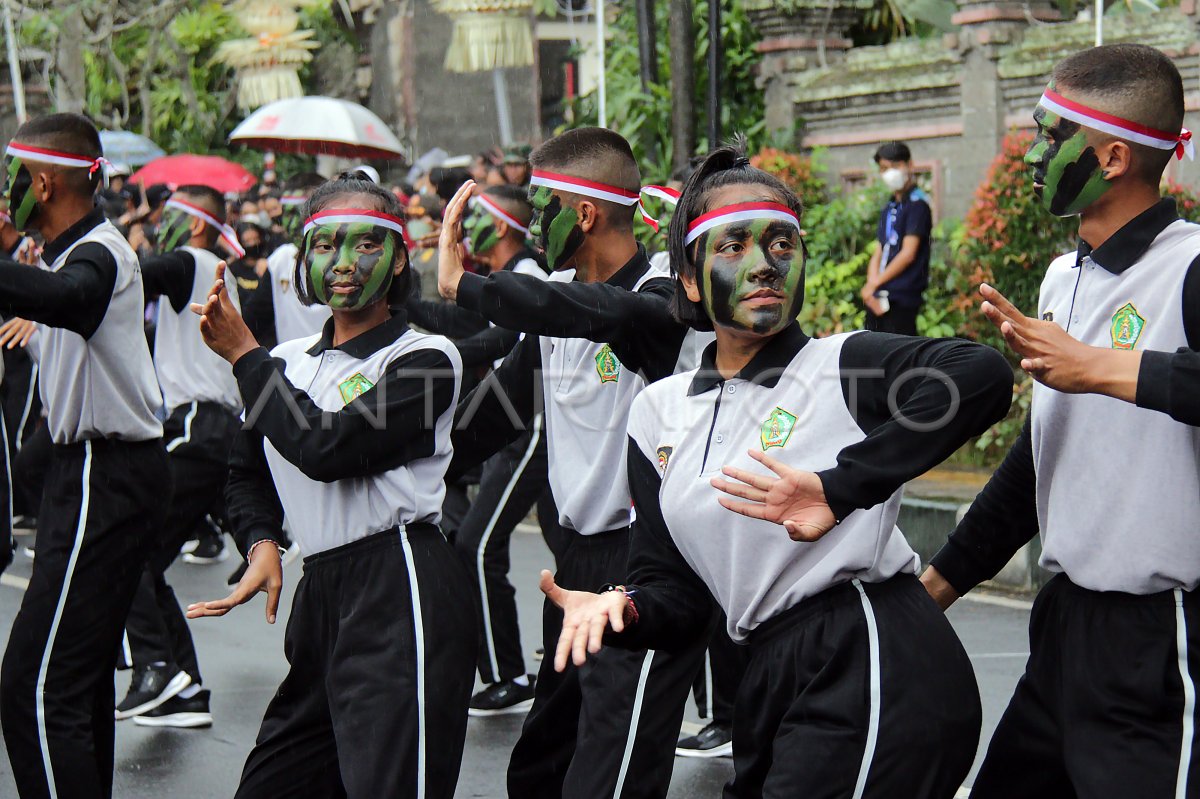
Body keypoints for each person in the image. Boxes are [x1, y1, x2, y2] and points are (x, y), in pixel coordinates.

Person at [541, 139, 1012, 798]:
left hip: (868, 654)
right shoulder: (657, 412)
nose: (764, 264)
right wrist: (624, 607)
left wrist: (840, 487)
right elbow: (674, 593)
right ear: (688, 276)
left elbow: (981, 374)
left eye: (782, 245)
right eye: (733, 246)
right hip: (765, 671)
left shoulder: (838, 363)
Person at [920, 43, 1200, 798]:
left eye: (1050, 135)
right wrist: (931, 593)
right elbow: (1044, 459)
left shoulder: (1191, 266)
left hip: (1158, 638)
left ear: (1111, 157)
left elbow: (1108, 379)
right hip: (1062, 624)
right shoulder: (1061, 277)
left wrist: (1101, 367)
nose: (1033, 157)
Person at [185, 171, 476, 799]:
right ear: (303, 259)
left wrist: (243, 356)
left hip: (401, 590)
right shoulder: (287, 362)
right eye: (325, 245)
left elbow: (327, 446)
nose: (343, 262)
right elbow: (246, 469)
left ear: (400, 257)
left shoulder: (426, 358)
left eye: (367, 244)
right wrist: (262, 542)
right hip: (322, 595)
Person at [438, 127, 709, 799]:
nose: (532, 221)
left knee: (610, 771)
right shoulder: (558, 297)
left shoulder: (660, 298)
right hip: (579, 558)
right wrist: (404, 464)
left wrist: (467, 286)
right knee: (541, 764)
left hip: (649, 564)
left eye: (542, 202)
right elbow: (495, 410)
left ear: (584, 213)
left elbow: (599, 311)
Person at [0, 112, 169, 799]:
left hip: (107, 470)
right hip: (92, 471)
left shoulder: (100, 252)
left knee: (33, 689)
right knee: (78, 680)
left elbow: (75, 297)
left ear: (40, 180)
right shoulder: (62, 254)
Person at [412, 184, 553, 715]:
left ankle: (509, 675)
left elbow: (501, 344)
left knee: (476, 545)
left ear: (497, 227)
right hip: (509, 425)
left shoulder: (529, 276)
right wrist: (406, 304)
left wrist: (428, 360)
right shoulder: (505, 277)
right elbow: (465, 322)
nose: (462, 231)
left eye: (471, 220)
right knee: (560, 544)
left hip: (531, 428)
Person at [114, 185, 246, 729]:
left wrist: (128, 240)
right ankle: (183, 687)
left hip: (195, 425)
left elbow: (123, 280)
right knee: (143, 559)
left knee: (121, 547)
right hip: (212, 431)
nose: (158, 225)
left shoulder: (193, 260)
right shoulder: (211, 266)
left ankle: (156, 666)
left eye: (167, 217)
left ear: (193, 225)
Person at [861, 141, 932, 335]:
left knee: (898, 354)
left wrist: (874, 284)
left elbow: (908, 253)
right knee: (873, 352)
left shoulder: (918, 206)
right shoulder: (889, 208)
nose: (890, 172)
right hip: (879, 295)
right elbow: (880, 249)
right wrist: (871, 286)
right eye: (884, 168)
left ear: (909, 165)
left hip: (902, 297)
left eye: (896, 166)